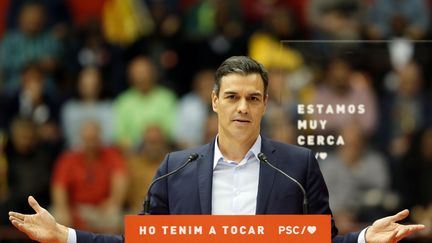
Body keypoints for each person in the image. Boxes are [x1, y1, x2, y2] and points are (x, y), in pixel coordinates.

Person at [8, 56, 425, 243]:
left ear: (264, 104)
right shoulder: (175, 168)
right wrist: (66, 237)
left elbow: (320, 241)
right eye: (232, 97)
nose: (242, 107)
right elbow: (141, 241)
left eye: (253, 98)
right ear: (214, 101)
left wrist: (367, 239)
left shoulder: (298, 165)